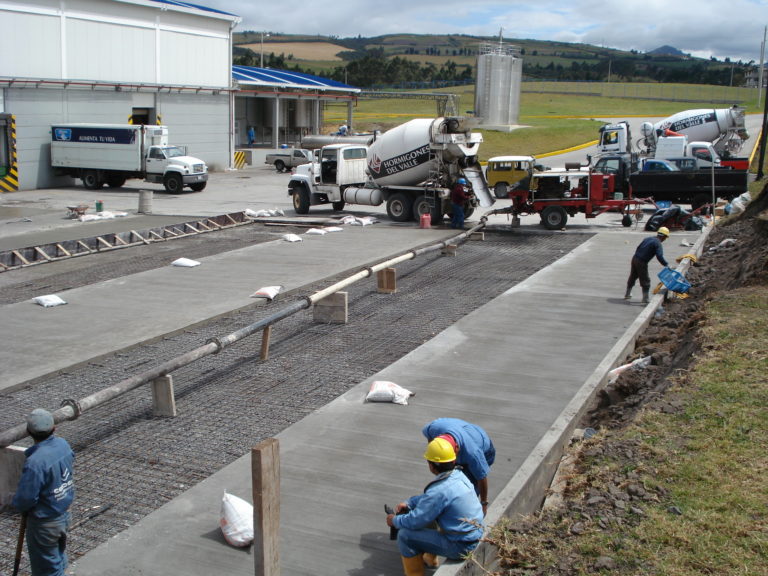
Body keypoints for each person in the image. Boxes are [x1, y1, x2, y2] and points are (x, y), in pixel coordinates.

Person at [386, 438, 484, 576]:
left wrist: (394, 521)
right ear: (453, 461)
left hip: (461, 546)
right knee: (430, 517)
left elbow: (416, 520)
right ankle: (430, 560)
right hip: (475, 536)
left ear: (431, 466)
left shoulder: (439, 491)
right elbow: (432, 500)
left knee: (405, 536)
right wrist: (410, 502)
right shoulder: (459, 475)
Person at [12, 409, 75, 576]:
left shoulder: (35, 462)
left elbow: (25, 499)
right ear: (54, 428)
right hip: (65, 513)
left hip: (45, 522)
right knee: (58, 557)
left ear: (28, 432)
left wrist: (15, 504)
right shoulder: (63, 445)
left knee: (47, 569)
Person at [422, 418, 495, 516]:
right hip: (463, 431)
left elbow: (481, 478)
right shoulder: (434, 428)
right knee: (449, 481)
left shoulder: (473, 454)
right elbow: (430, 439)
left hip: (484, 448)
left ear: (457, 449)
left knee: (467, 490)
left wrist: (483, 504)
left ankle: (467, 516)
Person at [625, 226, 670, 304]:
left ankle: (627, 294)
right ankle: (645, 299)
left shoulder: (648, 239)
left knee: (633, 276)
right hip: (642, 261)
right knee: (645, 280)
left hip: (635, 258)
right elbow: (659, 256)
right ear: (664, 237)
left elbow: (638, 247)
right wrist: (666, 264)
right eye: (665, 238)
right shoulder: (657, 243)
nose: (665, 240)